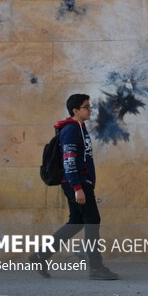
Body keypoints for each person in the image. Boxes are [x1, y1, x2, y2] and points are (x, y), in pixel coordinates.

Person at [29, 94, 119, 280]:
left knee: (76, 222)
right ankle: (96, 268)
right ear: (75, 111)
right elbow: (69, 159)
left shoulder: (80, 127)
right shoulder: (71, 130)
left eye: (89, 106)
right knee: (92, 221)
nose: (90, 109)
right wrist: (78, 187)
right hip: (77, 184)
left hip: (79, 183)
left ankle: (40, 256)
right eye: (86, 107)